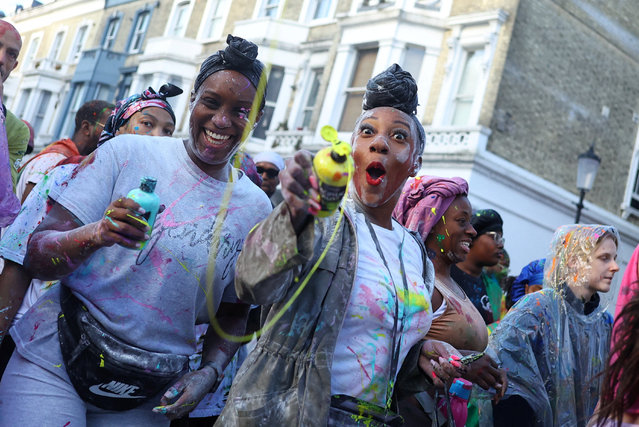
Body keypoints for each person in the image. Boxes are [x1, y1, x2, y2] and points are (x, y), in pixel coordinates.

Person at [0, 35, 272, 425]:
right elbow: (37, 253)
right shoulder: (127, 154)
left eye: (241, 111)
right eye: (211, 102)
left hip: (149, 391)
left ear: (258, 119)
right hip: (55, 360)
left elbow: (234, 312)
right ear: (193, 99)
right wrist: (97, 234)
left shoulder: (257, 208)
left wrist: (208, 374)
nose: (222, 121)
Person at [217, 64, 464, 426]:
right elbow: (252, 283)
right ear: (351, 150)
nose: (380, 142)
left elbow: (380, 344)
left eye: (398, 137)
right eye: (367, 132)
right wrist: (296, 214)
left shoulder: (415, 253)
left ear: (415, 163)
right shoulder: (323, 220)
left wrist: (422, 355)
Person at [0, 84, 180, 377]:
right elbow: (17, 266)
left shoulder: (163, 205)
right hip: (30, 340)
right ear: (118, 130)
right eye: (147, 124)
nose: (159, 137)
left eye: (168, 131)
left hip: (106, 359)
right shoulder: (64, 177)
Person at [393, 175, 507, 424]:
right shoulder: (418, 283)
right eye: (461, 221)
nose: (472, 230)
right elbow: (393, 352)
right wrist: (465, 364)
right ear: (432, 223)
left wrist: (486, 367)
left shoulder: (450, 282)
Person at [485, 224, 620, 426]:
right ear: (575, 261)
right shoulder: (536, 308)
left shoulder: (604, 324)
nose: (615, 267)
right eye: (604, 258)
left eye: (615, 258)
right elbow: (503, 380)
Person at [16, 99, 114, 202]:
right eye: (108, 128)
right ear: (86, 128)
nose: (113, 136)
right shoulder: (54, 160)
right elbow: (28, 212)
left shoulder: (74, 161)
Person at [451, 208, 505, 326]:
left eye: (501, 239)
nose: (501, 245)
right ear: (473, 236)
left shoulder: (494, 289)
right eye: (495, 237)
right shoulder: (444, 274)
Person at [0, 20, 28, 191]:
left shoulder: (18, 131)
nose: (1, 59)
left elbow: (4, 197)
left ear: (14, 66)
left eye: (11, 54)